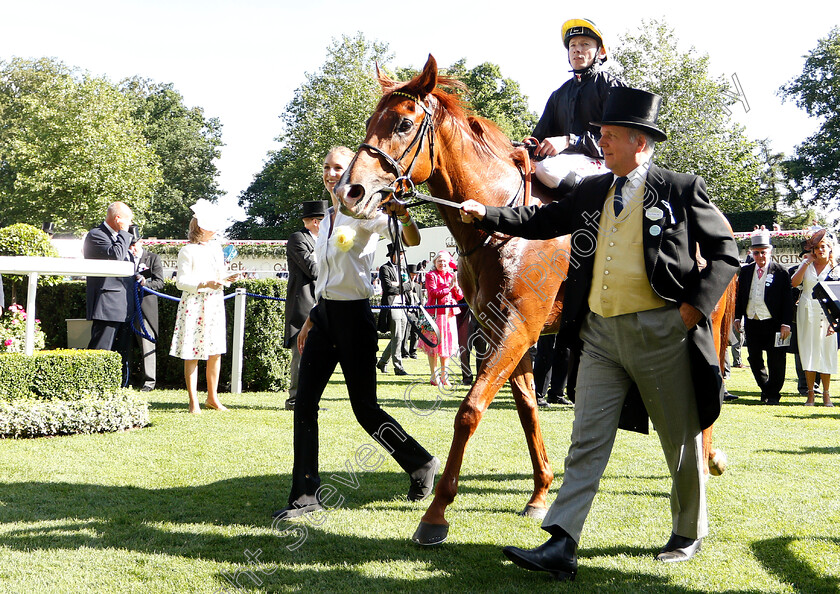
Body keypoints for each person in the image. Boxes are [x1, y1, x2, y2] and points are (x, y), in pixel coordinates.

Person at [460, 86, 740, 580]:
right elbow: (540, 219)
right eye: (602, 135)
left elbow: (725, 252)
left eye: (610, 137)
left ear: (641, 142)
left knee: (679, 440)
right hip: (599, 337)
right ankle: (562, 543)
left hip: (663, 332)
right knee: (585, 441)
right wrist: (487, 213)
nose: (602, 144)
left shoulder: (680, 187)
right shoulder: (591, 191)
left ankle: (687, 531)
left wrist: (692, 311)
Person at [274, 147, 439, 520]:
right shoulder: (327, 220)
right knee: (304, 405)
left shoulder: (365, 213)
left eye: (339, 167)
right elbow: (327, 278)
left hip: (355, 318)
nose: (332, 173)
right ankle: (305, 497)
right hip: (324, 317)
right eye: (327, 168)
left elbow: (410, 240)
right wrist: (314, 318)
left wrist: (404, 215)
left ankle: (420, 464)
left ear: (351, 170)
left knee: (365, 409)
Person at [531, 18, 625, 192]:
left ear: (601, 52)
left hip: (607, 163)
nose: (577, 50)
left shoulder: (611, 87)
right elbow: (539, 138)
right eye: (573, 45)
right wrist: (527, 146)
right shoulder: (558, 95)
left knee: (548, 169)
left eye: (585, 44)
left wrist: (569, 141)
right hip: (567, 164)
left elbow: (619, 139)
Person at [170, 200, 238, 414]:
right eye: (211, 227)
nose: (215, 231)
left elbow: (218, 275)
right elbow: (181, 281)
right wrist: (203, 284)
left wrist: (228, 278)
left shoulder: (216, 249)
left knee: (215, 351)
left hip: (214, 303)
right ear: (200, 227)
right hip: (194, 303)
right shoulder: (187, 251)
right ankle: (193, 400)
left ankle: (212, 398)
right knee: (192, 352)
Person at [733, 230, 793, 405]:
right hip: (753, 321)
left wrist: (785, 324)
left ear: (770, 251)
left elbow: (787, 301)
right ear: (751, 252)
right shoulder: (746, 271)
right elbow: (741, 296)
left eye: (763, 252)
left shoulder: (781, 272)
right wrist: (738, 317)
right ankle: (766, 389)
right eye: (756, 252)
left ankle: (773, 394)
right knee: (754, 358)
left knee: (776, 361)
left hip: (774, 323)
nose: (760, 256)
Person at [84, 201, 136, 387]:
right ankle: (93, 386)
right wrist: (124, 233)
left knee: (121, 351)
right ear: (118, 219)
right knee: (101, 349)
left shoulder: (119, 238)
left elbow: (125, 265)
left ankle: (117, 387)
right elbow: (115, 257)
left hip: (124, 303)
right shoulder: (96, 235)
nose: (130, 224)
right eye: (128, 220)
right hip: (107, 303)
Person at [283, 199, 326, 411]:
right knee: (301, 352)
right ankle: (295, 399)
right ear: (317, 222)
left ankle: (311, 399)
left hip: (322, 302)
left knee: (318, 355)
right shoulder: (298, 239)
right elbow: (314, 270)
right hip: (304, 303)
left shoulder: (323, 240)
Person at [790, 229, 839, 407]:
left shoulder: (836, 269)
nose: (820, 250)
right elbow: (794, 283)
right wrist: (805, 263)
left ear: (830, 248)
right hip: (806, 311)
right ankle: (810, 394)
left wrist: (835, 322)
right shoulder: (806, 266)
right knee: (808, 352)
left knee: (827, 353)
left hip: (828, 314)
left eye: (824, 247)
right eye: (817, 247)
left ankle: (826, 394)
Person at [420, 250, 463, 386]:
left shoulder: (452, 275)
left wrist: (455, 287)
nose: (442, 263)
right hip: (436, 315)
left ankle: (445, 376)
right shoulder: (430, 275)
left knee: (447, 347)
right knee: (434, 346)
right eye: (439, 261)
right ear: (435, 263)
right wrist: (449, 288)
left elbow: (460, 296)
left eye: (444, 261)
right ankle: (434, 376)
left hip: (449, 315)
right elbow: (433, 293)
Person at [129, 228, 164, 391]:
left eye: (134, 244)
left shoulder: (153, 258)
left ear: (141, 242)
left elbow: (159, 283)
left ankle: (149, 382)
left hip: (145, 308)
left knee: (146, 344)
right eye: (130, 245)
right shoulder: (124, 259)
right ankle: (127, 377)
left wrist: (145, 284)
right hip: (126, 306)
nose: (132, 248)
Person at [377, 243, 411, 375]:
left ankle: (382, 362)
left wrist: (398, 285)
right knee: (397, 336)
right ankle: (398, 367)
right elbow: (388, 288)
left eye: (402, 254)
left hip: (403, 305)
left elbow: (411, 285)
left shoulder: (403, 269)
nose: (402, 257)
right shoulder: (385, 268)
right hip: (392, 305)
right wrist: (402, 286)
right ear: (392, 255)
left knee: (400, 337)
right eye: (399, 254)